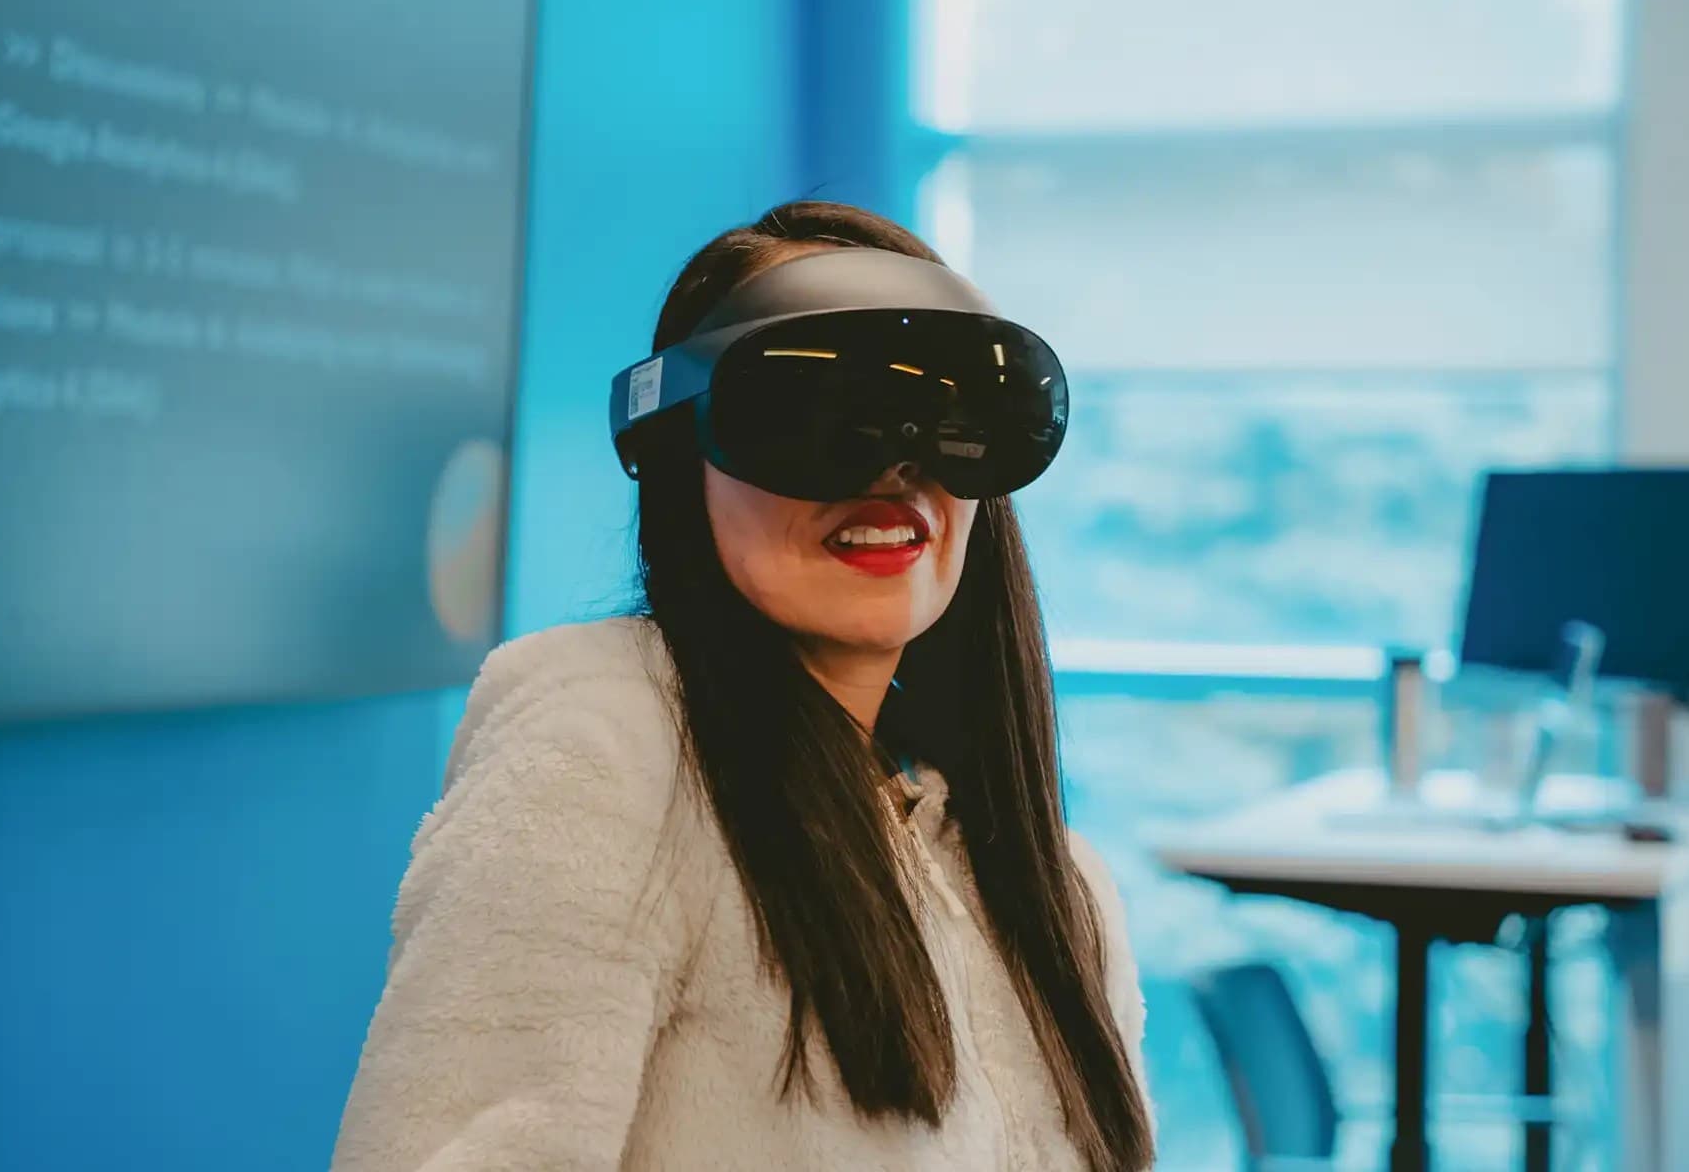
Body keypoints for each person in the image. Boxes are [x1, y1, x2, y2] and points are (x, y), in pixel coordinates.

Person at [333, 201, 1156, 1172]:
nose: (893, 469)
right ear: (678, 453)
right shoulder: (608, 763)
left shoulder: (1051, 886)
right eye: (809, 416)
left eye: (943, 412)